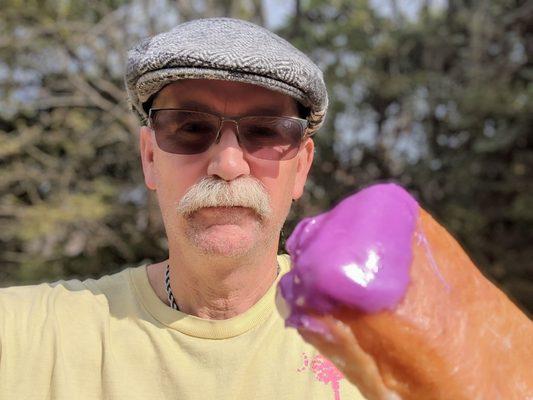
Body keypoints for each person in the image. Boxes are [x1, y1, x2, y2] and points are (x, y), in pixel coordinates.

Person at [0, 18, 365, 399]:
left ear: (302, 167)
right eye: (190, 128)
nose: (227, 165)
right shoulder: (34, 337)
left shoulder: (376, 333)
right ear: (150, 158)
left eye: (265, 132)